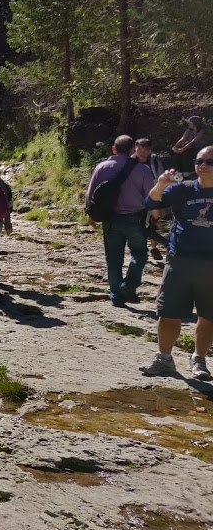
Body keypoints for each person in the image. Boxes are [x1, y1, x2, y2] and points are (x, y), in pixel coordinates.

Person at [140, 145, 213, 380]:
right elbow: (151, 203)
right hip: (179, 260)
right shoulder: (184, 189)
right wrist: (161, 183)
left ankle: (199, 360)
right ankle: (164, 359)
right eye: (199, 160)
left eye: (209, 162)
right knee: (168, 312)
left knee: (208, 316)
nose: (202, 165)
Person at [85, 134, 155, 306]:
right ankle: (129, 285)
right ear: (133, 149)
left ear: (114, 149)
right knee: (139, 254)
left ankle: (116, 295)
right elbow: (151, 197)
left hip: (110, 219)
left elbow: (90, 193)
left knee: (113, 258)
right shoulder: (143, 169)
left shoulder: (101, 167)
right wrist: (155, 216)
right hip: (134, 219)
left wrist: (90, 214)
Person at [134, 138, 167, 261]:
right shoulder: (130, 162)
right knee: (138, 224)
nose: (143, 152)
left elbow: (162, 179)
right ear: (135, 148)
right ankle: (140, 248)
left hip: (154, 196)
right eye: (140, 149)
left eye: (146, 149)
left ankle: (154, 247)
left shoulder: (155, 162)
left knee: (156, 221)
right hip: (136, 198)